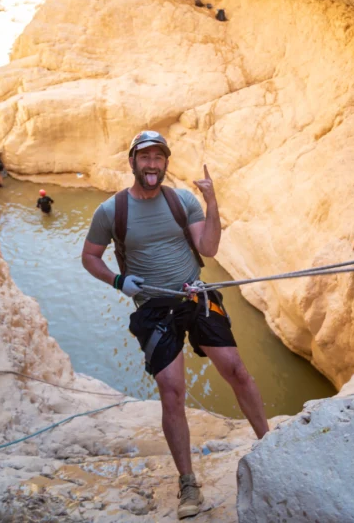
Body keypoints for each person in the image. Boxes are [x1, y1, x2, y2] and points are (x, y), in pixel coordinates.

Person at [81, 131, 268, 519]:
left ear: (166, 162)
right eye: (145, 157)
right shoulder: (111, 211)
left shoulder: (181, 200)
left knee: (236, 370)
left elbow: (209, 248)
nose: (152, 165)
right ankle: (188, 482)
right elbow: (90, 257)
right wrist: (118, 281)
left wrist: (212, 201)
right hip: (153, 306)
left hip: (194, 295)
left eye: (158, 158)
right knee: (172, 390)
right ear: (132, 161)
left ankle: (270, 443)